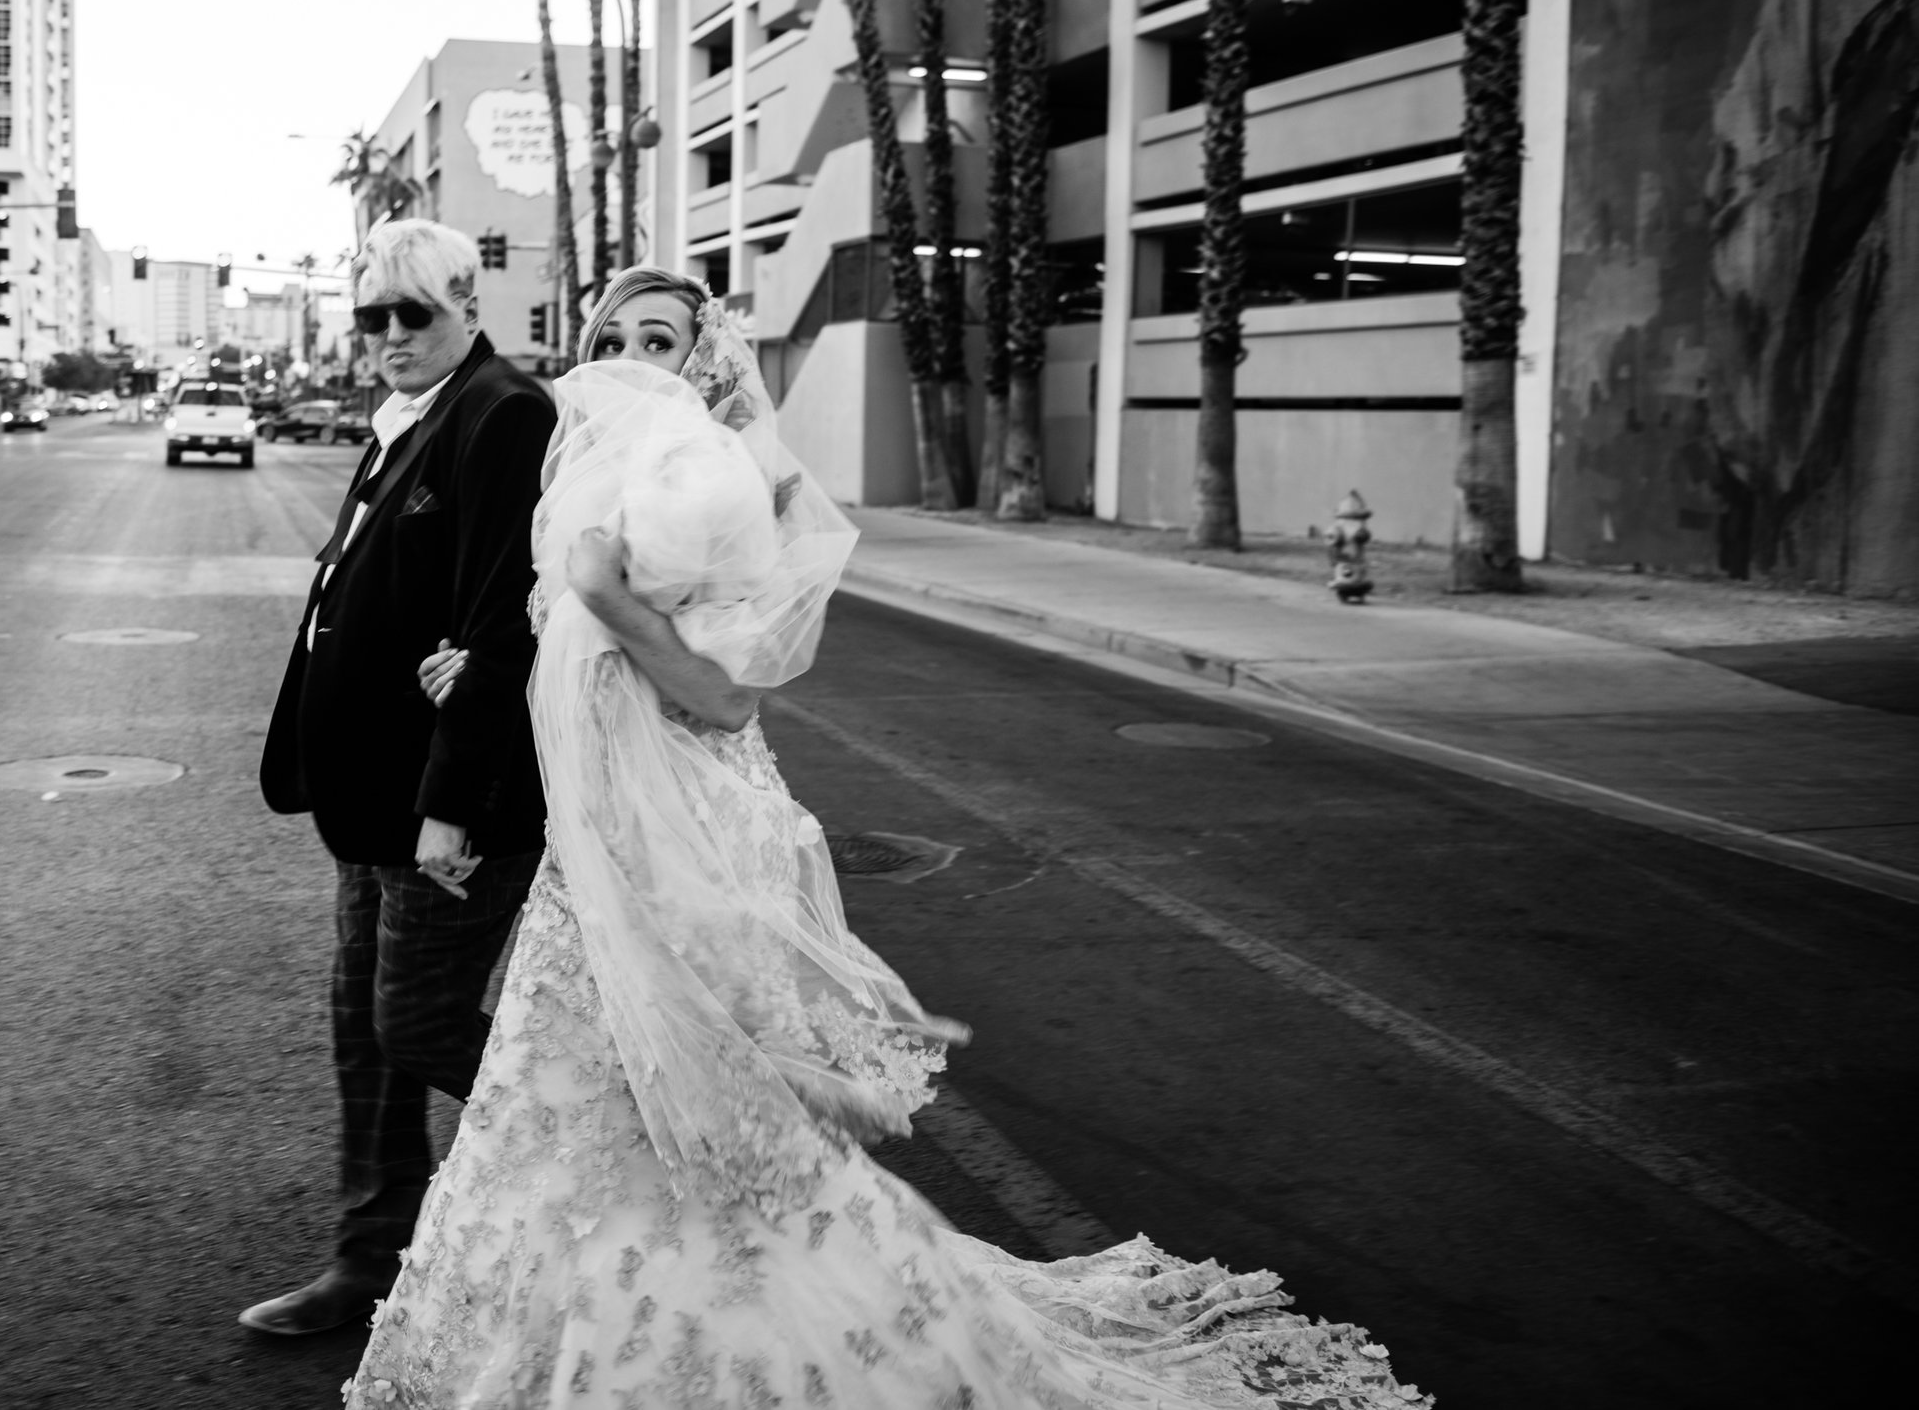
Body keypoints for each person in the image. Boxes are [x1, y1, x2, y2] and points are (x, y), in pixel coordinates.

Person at [345, 268, 1425, 1408]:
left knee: (665, 1108)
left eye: (657, 339)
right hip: (594, 845)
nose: (627, 357)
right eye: (611, 335)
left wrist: (608, 606)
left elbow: (721, 699)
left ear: (705, 361)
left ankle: (706, 1351)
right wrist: (494, 662)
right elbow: (576, 662)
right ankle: (575, 1337)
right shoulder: (592, 478)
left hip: (683, 849)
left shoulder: (714, 487)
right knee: (565, 1101)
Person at [243, 219, 558, 1337]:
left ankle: (595, 1167)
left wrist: (449, 808)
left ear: (466, 306)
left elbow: (500, 622)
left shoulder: (500, 412)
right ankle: (369, 1260)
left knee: (418, 1023)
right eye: (369, 316)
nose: (385, 335)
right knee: (362, 1033)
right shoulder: (404, 421)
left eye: (409, 314)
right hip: (368, 802)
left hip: (446, 810)